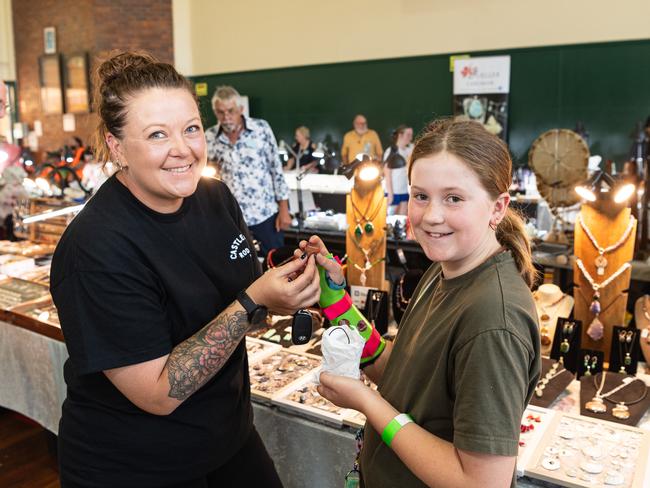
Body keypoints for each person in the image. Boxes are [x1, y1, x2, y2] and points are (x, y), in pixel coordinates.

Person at [50, 51, 321, 488]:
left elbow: (251, 313)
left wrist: (299, 285)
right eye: (157, 134)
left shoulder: (214, 198)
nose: (183, 150)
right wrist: (254, 299)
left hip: (228, 439)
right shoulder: (95, 247)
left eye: (191, 128)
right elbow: (160, 393)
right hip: (135, 466)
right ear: (116, 146)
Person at [304, 118, 541, 487]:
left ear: (497, 207)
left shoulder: (494, 319)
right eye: (420, 195)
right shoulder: (446, 265)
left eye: (454, 198)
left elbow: (482, 483)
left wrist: (368, 403)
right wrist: (335, 301)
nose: (431, 217)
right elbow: (401, 373)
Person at [205, 86, 291, 256]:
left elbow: (276, 169)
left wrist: (284, 209)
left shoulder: (261, 129)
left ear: (241, 109)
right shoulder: (209, 137)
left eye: (231, 111)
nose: (226, 117)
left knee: (276, 264)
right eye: (220, 112)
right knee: (236, 268)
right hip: (228, 217)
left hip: (264, 214)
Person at [383, 124, 413, 215]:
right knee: (390, 220)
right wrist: (390, 194)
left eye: (411, 135)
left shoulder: (409, 150)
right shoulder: (392, 150)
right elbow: (387, 173)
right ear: (400, 135)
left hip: (404, 190)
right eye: (408, 135)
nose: (410, 138)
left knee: (402, 220)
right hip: (393, 191)